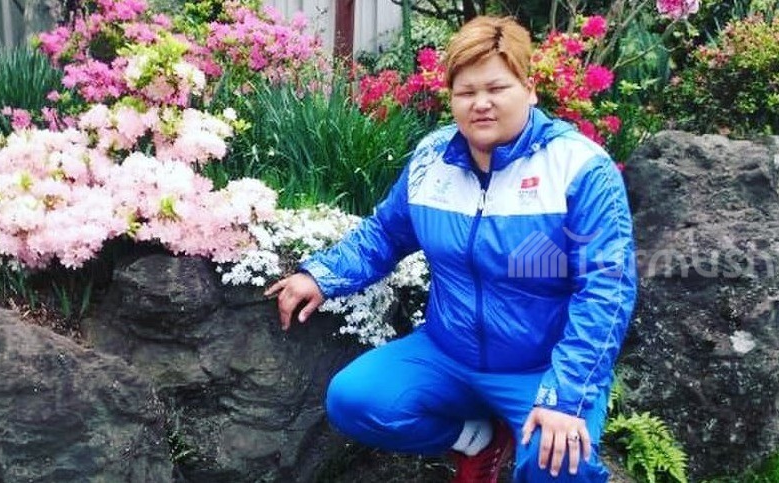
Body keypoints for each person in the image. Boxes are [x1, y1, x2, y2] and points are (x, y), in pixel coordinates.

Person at [264, 15, 637, 483]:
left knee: (560, 462)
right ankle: (479, 440)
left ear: (529, 89)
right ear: (451, 97)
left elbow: (606, 288)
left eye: (497, 88)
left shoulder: (580, 167)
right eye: (466, 92)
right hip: (448, 353)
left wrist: (567, 395)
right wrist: (321, 275)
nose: (481, 103)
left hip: (540, 367)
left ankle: (533, 432)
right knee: (353, 400)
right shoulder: (432, 157)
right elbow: (387, 233)